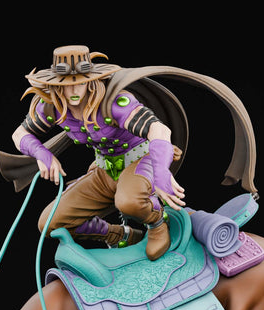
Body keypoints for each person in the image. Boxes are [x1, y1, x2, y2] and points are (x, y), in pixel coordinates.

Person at [11, 45, 186, 260]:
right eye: (67, 85)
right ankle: (119, 235)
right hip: (105, 170)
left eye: (80, 83)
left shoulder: (112, 103)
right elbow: (19, 134)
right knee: (50, 222)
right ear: (56, 85)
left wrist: (160, 172)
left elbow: (159, 130)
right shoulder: (52, 107)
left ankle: (157, 223)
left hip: (140, 160)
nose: (74, 91)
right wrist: (41, 153)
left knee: (129, 202)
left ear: (90, 81)